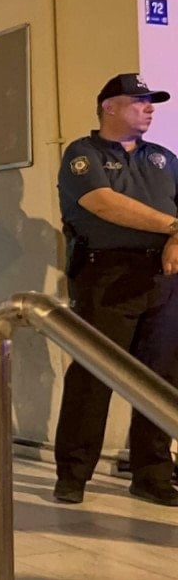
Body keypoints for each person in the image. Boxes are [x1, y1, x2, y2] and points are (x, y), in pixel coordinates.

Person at [53, 73, 178, 507]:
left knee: (160, 378)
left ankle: (152, 474)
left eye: (151, 102)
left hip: (162, 276)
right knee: (94, 375)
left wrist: (175, 238)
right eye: (139, 101)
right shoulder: (82, 154)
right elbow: (104, 204)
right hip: (106, 276)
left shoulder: (163, 158)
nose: (149, 108)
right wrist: (174, 226)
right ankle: (73, 475)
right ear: (109, 106)